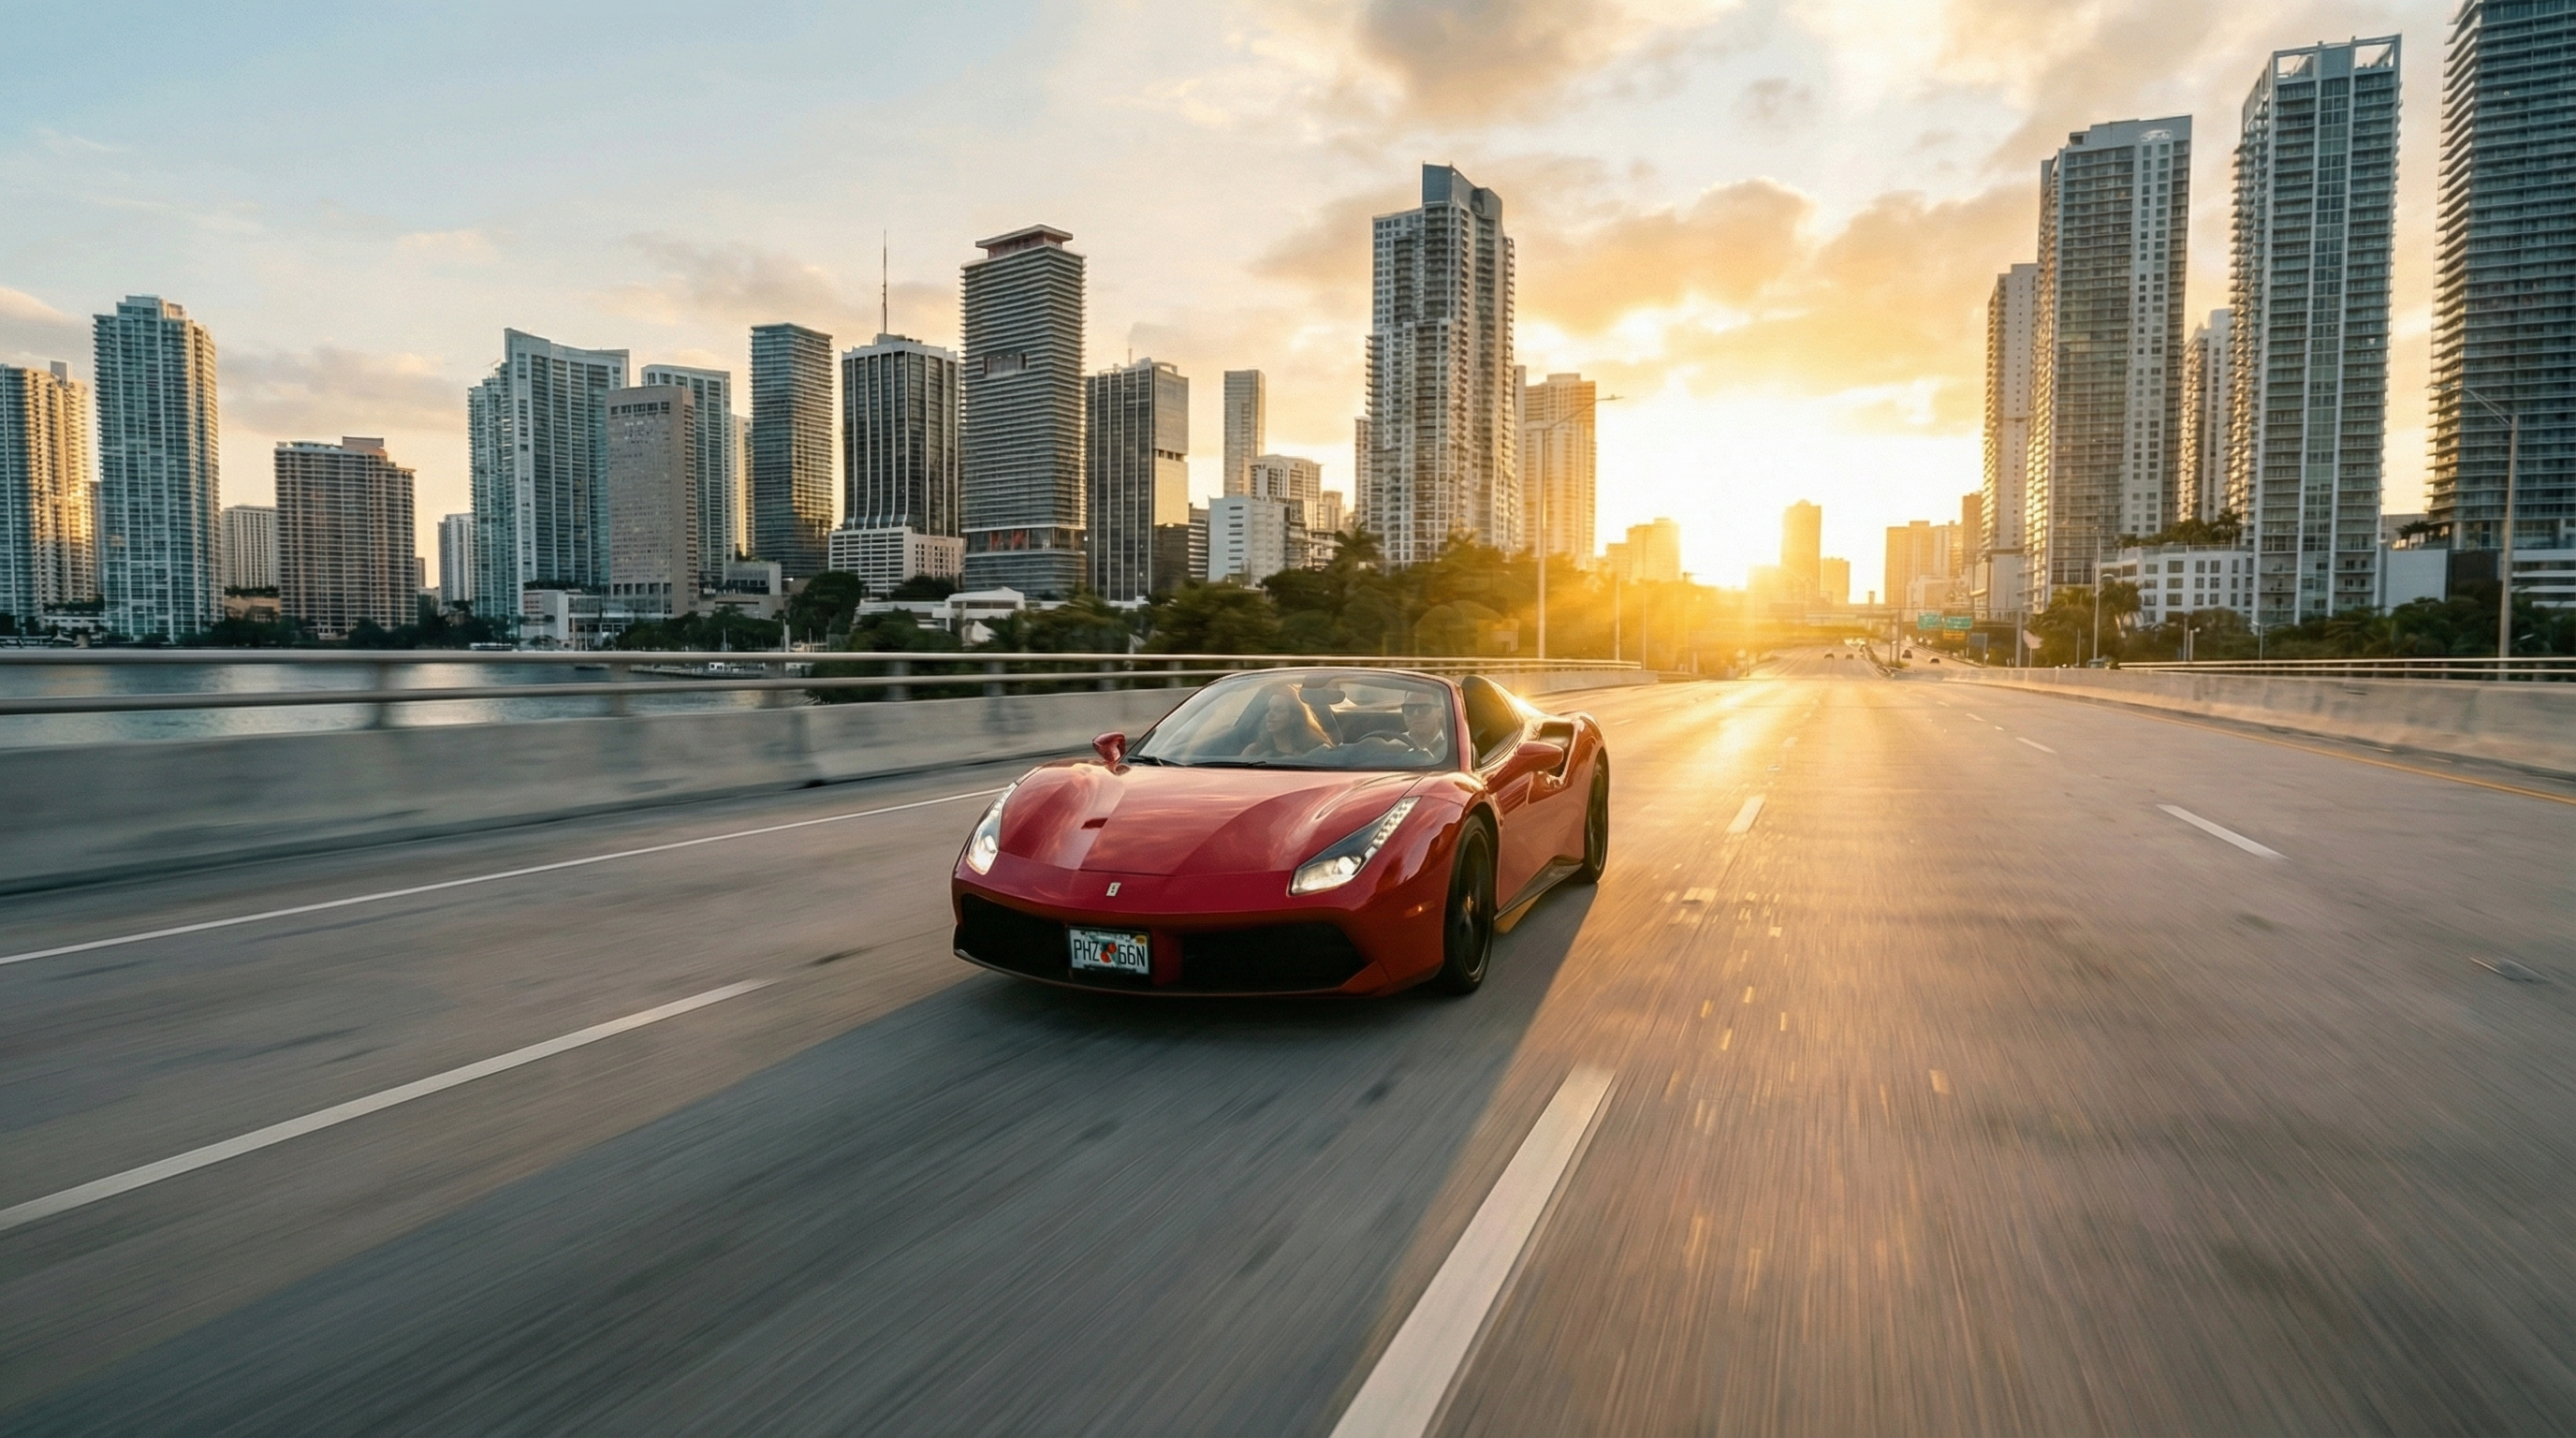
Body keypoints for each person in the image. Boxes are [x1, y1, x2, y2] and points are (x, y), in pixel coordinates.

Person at [1237, 686, 1331, 759]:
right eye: (1269, 709)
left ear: (1294, 716)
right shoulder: (1254, 751)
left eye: (1278, 710)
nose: (1270, 715)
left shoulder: (1316, 750)